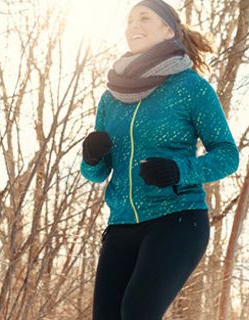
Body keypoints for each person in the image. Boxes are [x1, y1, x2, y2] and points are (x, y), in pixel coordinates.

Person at [80, 1, 239, 319]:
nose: (133, 25)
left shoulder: (191, 87)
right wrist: (92, 157)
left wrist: (179, 171)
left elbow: (227, 155)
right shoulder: (111, 96)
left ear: (168, 30)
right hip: (122, 223)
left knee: (137, 311)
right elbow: (97, 173)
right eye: (129, 20)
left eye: (144, 18)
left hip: (177, 220)